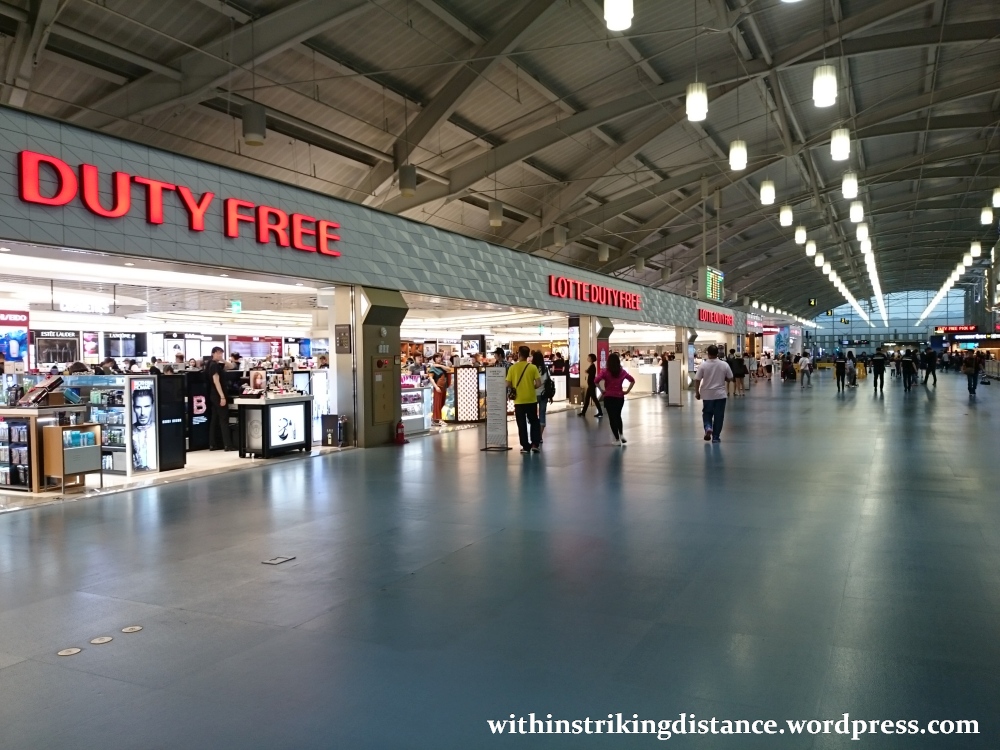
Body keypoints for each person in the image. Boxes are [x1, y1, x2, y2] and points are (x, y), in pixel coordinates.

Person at [694, 345, 733, 443]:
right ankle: (715, 437)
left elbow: (697, 379)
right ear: (717, 353)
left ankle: (708, 427)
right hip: (720, 394)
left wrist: (697, 392)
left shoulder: (703, 365)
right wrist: (724, 378)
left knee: (707, 413)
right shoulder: (724, 364)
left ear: (708, 353)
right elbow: (730, 378)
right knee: (719, 416)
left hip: (707, 394)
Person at [506, 345, 542, 453]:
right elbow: (539, 383)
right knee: (534, 421)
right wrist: (531, 387)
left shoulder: (513, 368)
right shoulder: (533, 367)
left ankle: (525, 446)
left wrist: (515, 386)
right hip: (531, 399)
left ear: (519, 354)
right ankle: (535, 444)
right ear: (528, 355)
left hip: (519, 401)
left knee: (521, 424)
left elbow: (507, 383)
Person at [595, 352, 635, 446]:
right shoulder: (622, 372)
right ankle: (621, 434)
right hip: (619, 397)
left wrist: (601, 390)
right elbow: (632, 380)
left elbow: (596, 381)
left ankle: (617, 439)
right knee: (618, 416)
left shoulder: (605, 371)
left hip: (609, 397)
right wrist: (627, 391)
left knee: (611, 417)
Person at [207, 346, 234, 451]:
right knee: (224, 419)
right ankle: (228, 445)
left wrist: (222, 359)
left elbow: (231, 366)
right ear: (213, 353)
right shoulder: (214, 366)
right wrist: (222, 396)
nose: (220, 355)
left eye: (221, 353)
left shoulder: (211, 364)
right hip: (218, 394)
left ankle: (212, 444)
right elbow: (216, 381)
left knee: (214, 419)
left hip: (213, 395)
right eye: (218, 353)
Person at [131, 388, 156, 469]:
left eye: (146, 406)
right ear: (134, 408)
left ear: (152, 406)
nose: (142, 413)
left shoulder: (159, 431)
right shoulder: (129, 432)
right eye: (138, 407)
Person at [531, 351, 551, 445]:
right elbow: (548, 382)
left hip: (533, 395)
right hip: (544, 395)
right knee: (542, 414)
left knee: (533, 416)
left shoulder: (531, 369)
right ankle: (540, 437)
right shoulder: (545, 369)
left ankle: (534, 436)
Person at [427, 353, 451, 427]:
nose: (439, 358)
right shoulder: (433, 368)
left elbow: (449, 369)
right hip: (438, 387)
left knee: (442, 403)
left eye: (440, 357)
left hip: (444, 387)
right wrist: (436, 387)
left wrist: (440, 366)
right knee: (437, 404)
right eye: (437, 357)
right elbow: (431, 378)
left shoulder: (442, 366)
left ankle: (434, 419)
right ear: (434, 359)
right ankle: (439, 419)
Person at [579, 353, 603, 418]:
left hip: (592, 385)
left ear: (591, 358)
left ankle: (600, 412)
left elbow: (590, 373)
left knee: (594, 399)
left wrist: (587, 371)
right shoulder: (591, 365)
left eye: (588, 357)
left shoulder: (592, 366)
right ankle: (583, 412)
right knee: (587, 399)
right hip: (590, 384)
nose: (587, 358)